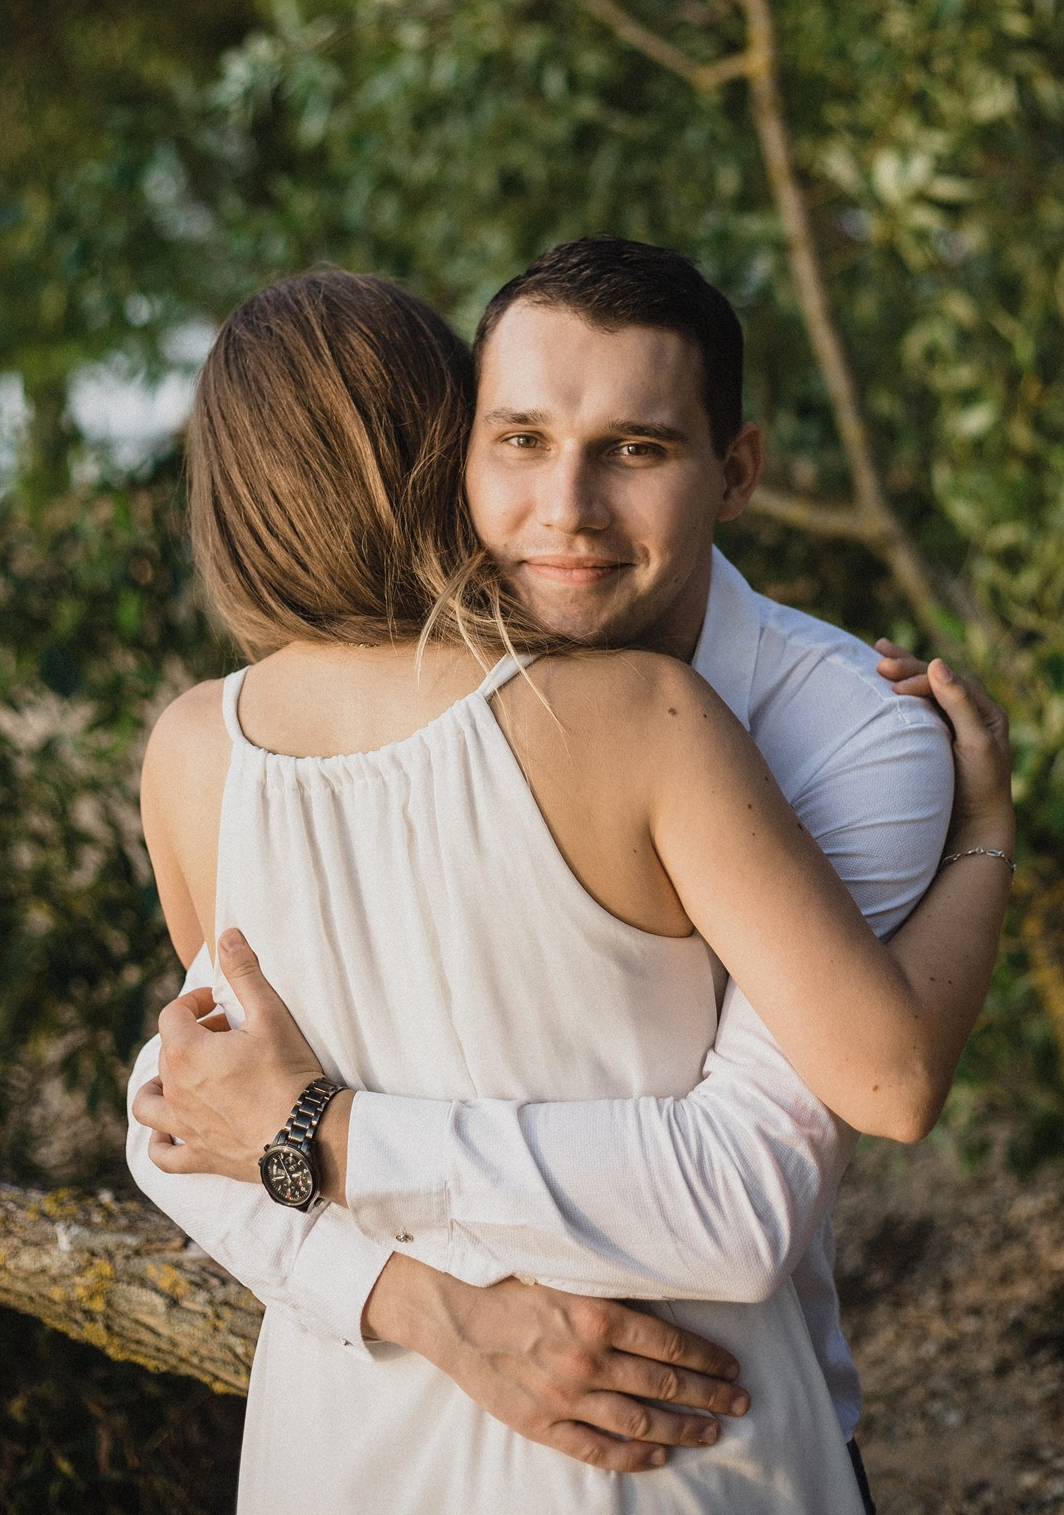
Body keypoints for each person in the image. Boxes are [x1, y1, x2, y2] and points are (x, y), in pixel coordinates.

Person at [130, 245, 1014, 1509]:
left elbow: (757, 1185)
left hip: (664, 1427)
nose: (567, 510)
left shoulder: (849, 727)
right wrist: (418, 1303)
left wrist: (317, 1135)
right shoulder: (623, 715)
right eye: (522, 441)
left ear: (736, 471)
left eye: (636, 451)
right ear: (450, 458)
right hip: (436, 1428)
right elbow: (171, 1107)